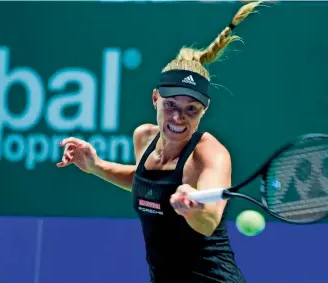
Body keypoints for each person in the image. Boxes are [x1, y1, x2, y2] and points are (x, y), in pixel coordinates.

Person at [57, 2, 265, 282]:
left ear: (205, 109)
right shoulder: (144, 137)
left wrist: (192, 210)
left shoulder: (210, 155)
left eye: (191, 108)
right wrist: (96, 166)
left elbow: (209, 221)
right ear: (155, 98)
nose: (179, 117)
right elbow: (147, 184)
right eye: (170, 105)